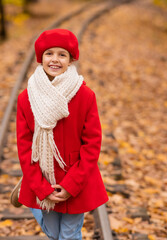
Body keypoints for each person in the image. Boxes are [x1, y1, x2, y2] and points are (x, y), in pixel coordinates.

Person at [10, 28, 108, 240]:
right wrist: (40, 187)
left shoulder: (85, 95)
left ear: (71, 60)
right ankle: (27, 189)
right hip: (43, 176)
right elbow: (24, 146)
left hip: (75, 177)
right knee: (54, 232)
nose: (55, 59)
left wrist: (71, 184)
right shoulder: (26, 98)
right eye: (49, 54)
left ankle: (30, 190)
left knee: (69, 235)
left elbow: (92, 143)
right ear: (40, 58)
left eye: (62, 54)